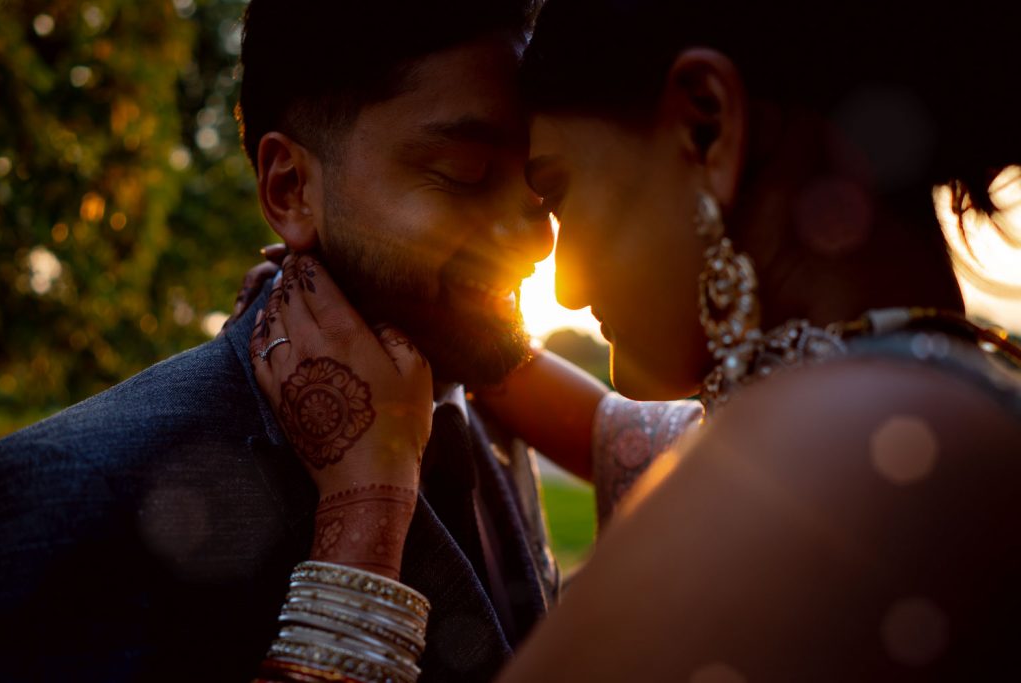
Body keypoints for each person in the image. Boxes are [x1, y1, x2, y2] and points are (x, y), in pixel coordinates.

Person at [259, 0, 1021, 680]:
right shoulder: (911, 396)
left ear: (705, 126)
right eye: (463, 174)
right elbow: (602, 428)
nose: (565, 289)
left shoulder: (844, 449)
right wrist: (431, 302)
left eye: (557, 189)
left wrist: (364, 513)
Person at [0, 1, 562, 680]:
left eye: (539, 183)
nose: (537, 240)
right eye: (466, 174)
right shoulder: (77, 494)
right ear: (290, 187)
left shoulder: (495, 417)